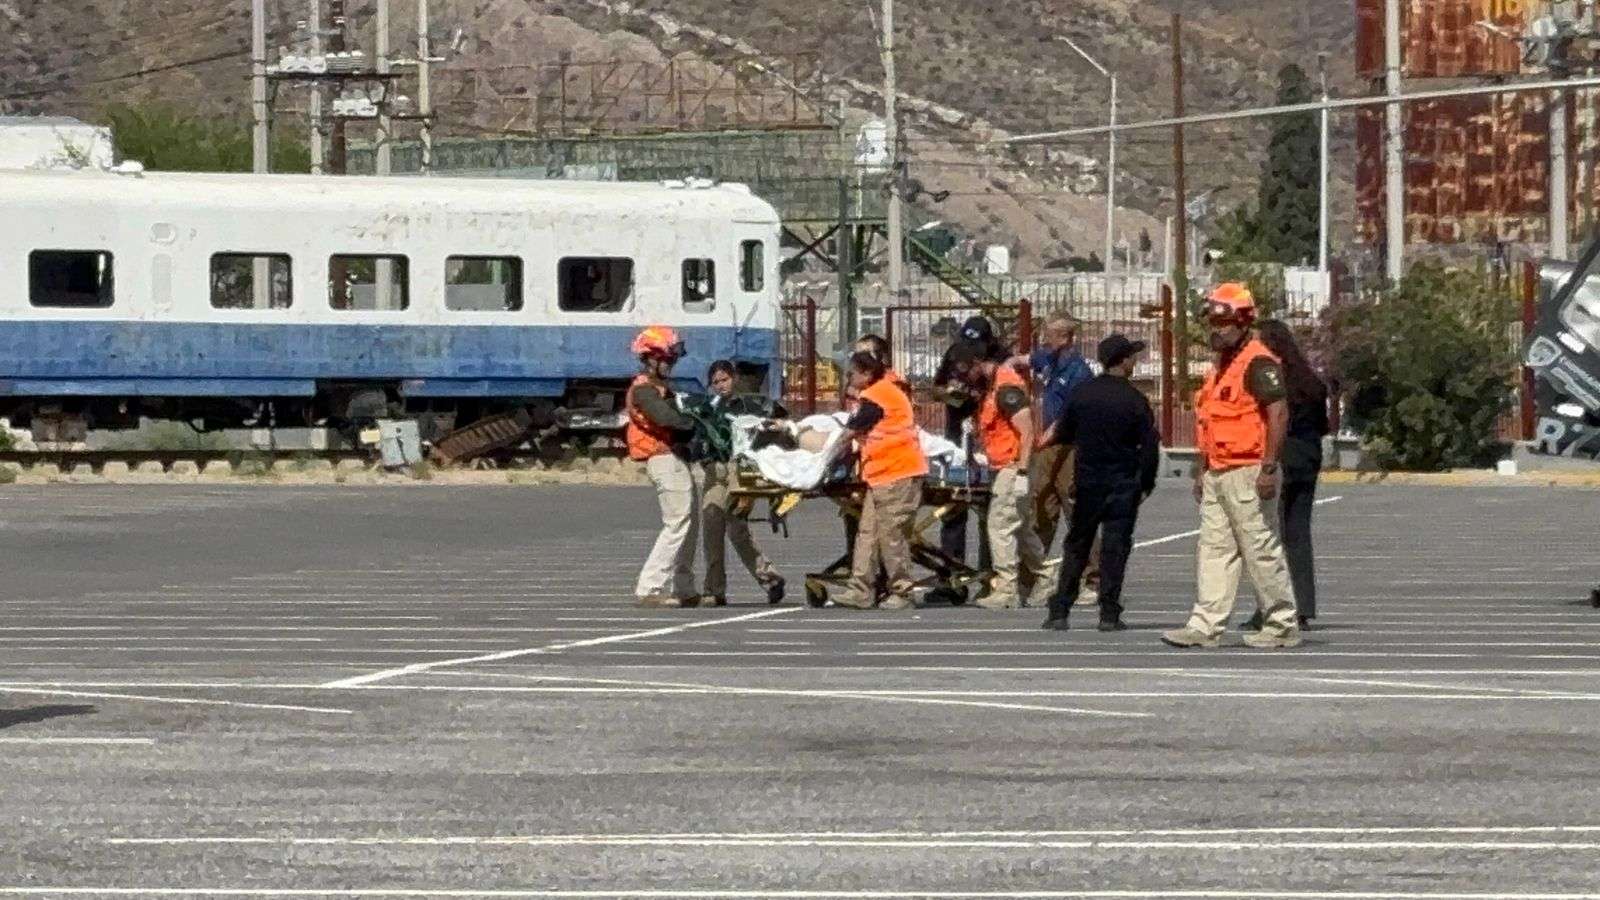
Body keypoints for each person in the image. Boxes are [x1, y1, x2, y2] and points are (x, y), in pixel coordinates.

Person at [1162, 284, 1302, 649]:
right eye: (1212, 322)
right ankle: (1205, 625)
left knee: (1260, 548)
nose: (1216, 329)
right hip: (1218, 471)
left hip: (1249, 470)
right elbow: (1210, 421)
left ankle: (1281, 624)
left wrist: (1268, 468)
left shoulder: (1258, 362)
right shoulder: (1221, 367)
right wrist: (1202, 469)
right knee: (1213, 549)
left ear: (1243, 321)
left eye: (1223, 323)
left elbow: (1278, 413)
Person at [1042, 334, 1161, 632]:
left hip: (1088, 481)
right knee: (1115, 547)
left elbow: (1064, 432)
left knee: (1077, 544)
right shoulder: (1134, 400)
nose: (1135, 362)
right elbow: (1149, 447)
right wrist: (1146, 483)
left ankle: (1060, 609)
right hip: (1123, 482)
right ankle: (1109, 612)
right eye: (1132, 357)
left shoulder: (1082, 394)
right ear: (1123, 360)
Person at [947, 341, 1058, 609]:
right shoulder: (990, 387)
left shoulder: (1006, 387)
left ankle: (1007, 588)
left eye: (966, 371)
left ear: (977, 363)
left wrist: (1021, 471)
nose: (965, 378)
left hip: (1013, 465)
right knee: (1020, 527)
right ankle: (1046, 576)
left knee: (1000, 526)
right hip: (1002, 465)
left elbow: (1027, 430)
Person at [1010, 314, 1101, 605]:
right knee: (1041, 508)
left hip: (1070, 447)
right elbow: (1026, 360)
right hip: (1047, 449)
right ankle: (1033, 578)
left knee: (1075, 510)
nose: (1045, 339)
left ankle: (1093, 579)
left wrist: (1049, 433)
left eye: (1050, 335)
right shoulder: (1049, 359)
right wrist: (1010, 364)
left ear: (1065, 337)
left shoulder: (1079, 372)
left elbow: (1072, 413)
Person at [833, 350, 929, 610]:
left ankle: (903, 590)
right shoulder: (880, 393)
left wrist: (824, 456)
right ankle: (860, 589)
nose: (848, 379)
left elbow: (851, 430)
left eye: (851, 374)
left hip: (897, 473)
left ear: (866, 373)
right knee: (868, 533)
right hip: (882, 476)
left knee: (892, 535)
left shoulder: (877, 396)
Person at [1250, 320, 1329, 630]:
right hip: (1308, 459)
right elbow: (1323, 426)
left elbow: (1270, 421)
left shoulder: (1272, 380)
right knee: (1298, 534)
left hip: (1280, 458)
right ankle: (1303, 606)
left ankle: (1272, 606)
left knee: (1268, 536)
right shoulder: (1310, 381)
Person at [696, 360, 786, 607]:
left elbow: (779, 418)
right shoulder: (709, 408)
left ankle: (769, 577)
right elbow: (698, 435)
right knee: (711, 522)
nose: (720, 385)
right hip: (715, 470)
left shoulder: (751, 404)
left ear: (734, 378)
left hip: (741, 470)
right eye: (715, 382)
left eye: (724, 379)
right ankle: (714, 588)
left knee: (736, 526)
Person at [628, 326, 702, 608]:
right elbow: (668, 419)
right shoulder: (644, 390)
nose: (671, 364)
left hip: (673, 459)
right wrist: (696, 424)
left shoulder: (658, 388)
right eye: (666, 359)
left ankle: (684, 586)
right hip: (663, 459)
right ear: (651, 359)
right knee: (677, 522)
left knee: (688, 523)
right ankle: (650, 586)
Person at [932, 317, 1006, 590]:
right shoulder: (955, 353)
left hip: (988, 439)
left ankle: (989, 577)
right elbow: (936, 387)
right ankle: (952, 576)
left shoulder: (1002, 359)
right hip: (957, 437)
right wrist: (949, 394)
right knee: (954, 504)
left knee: (989, 509)